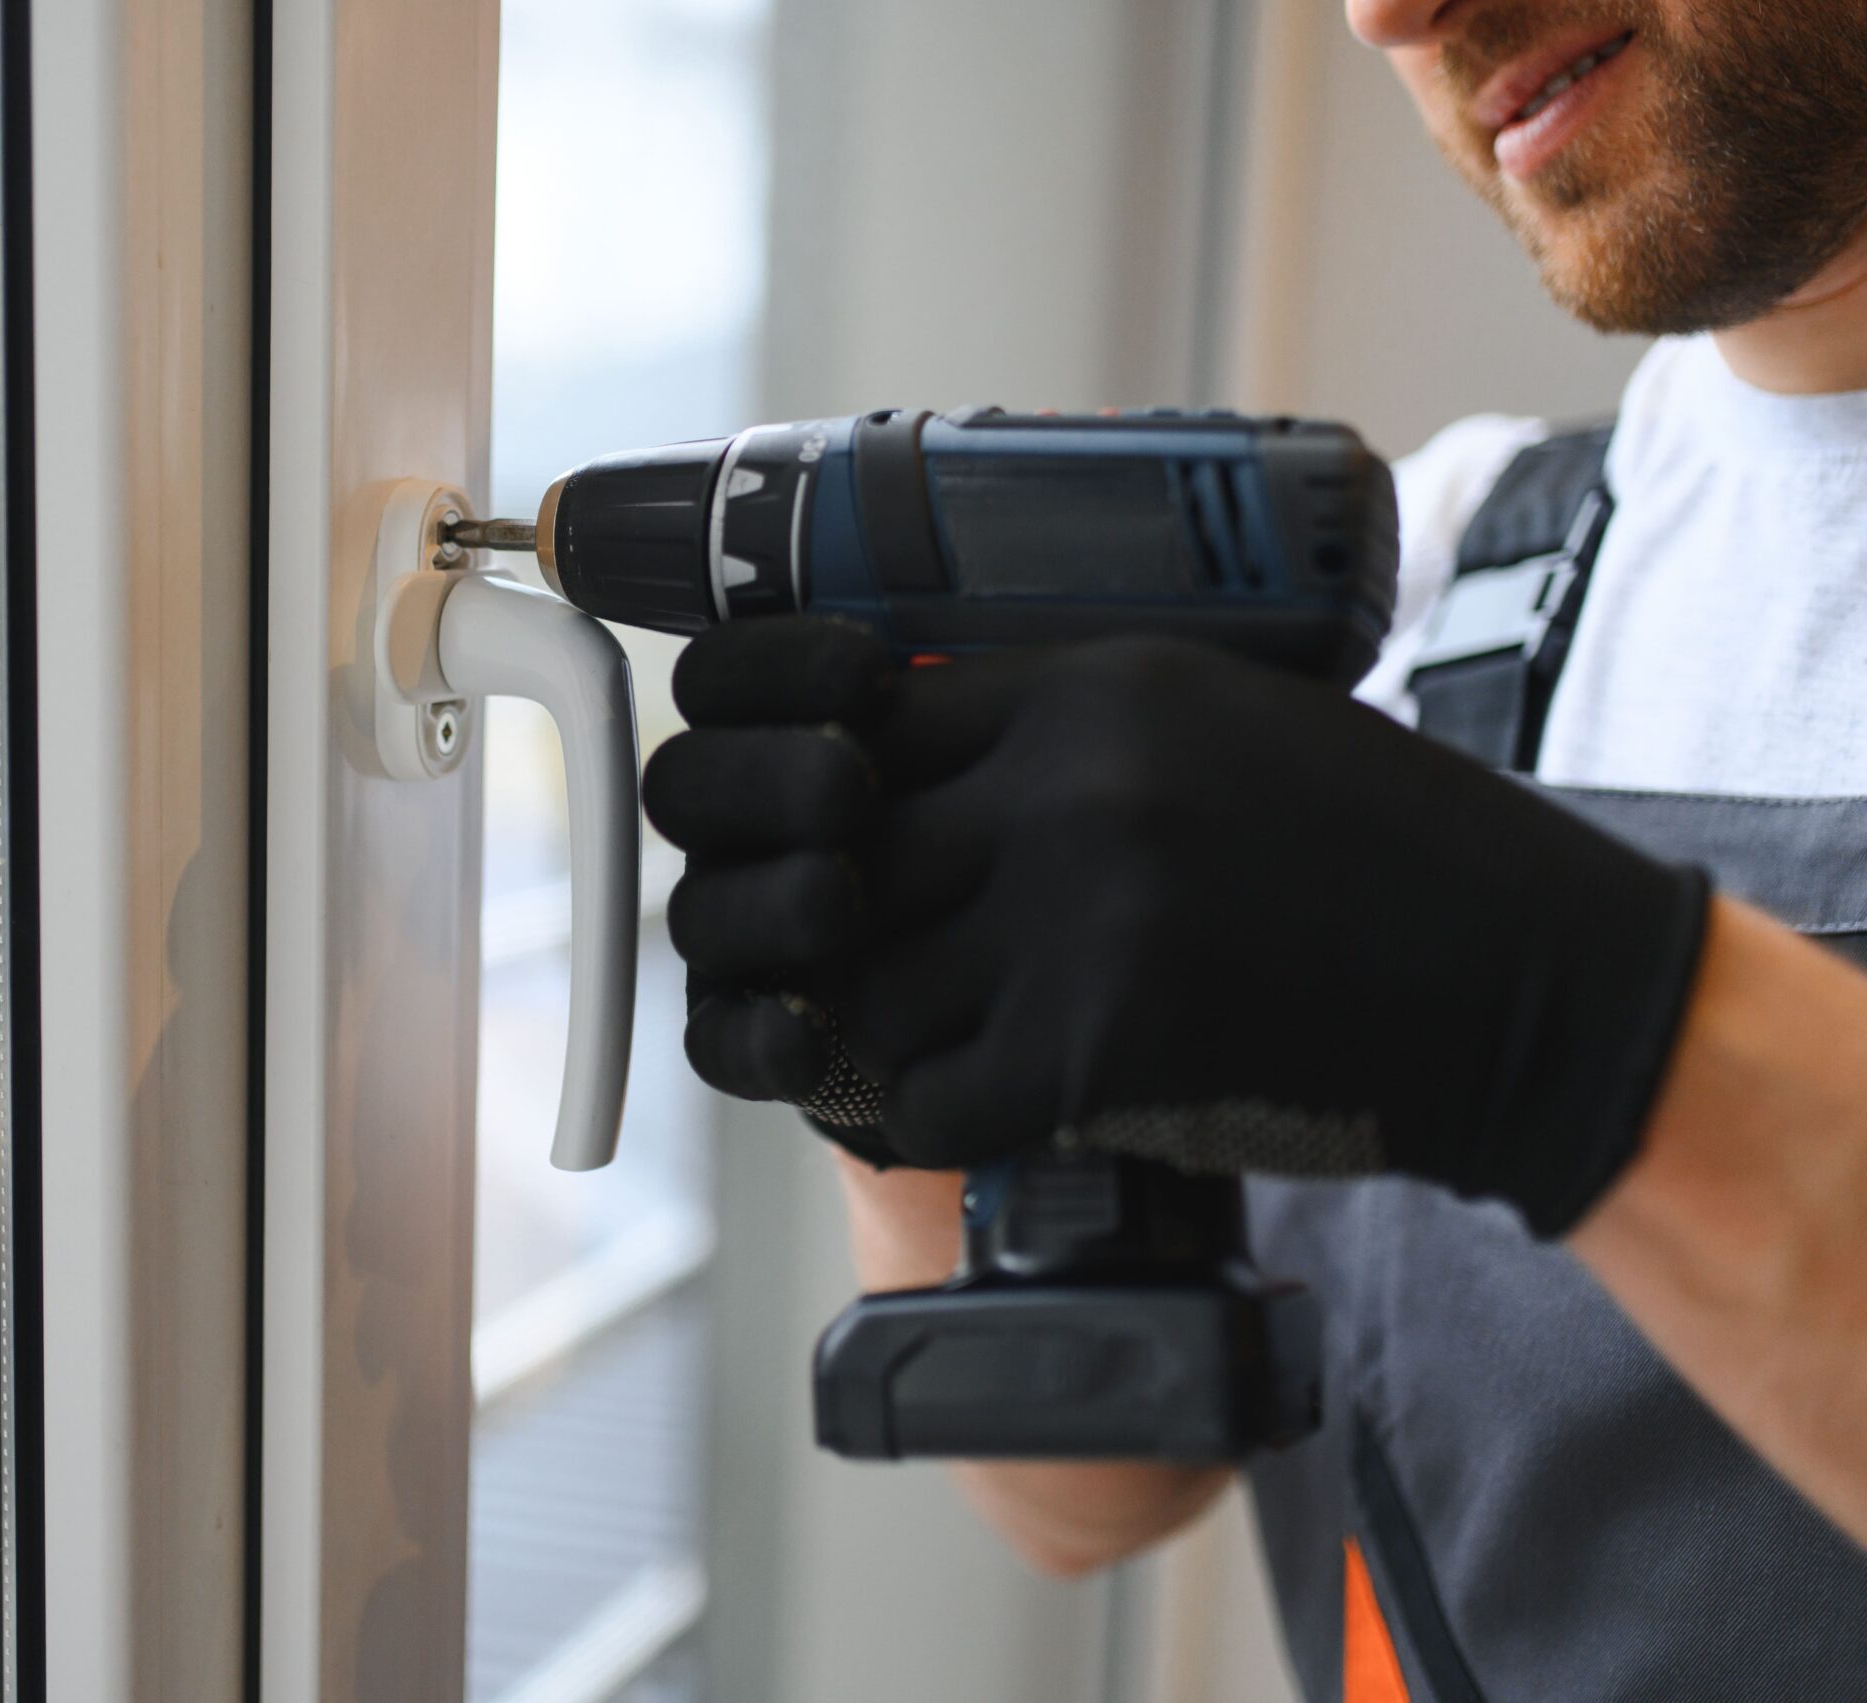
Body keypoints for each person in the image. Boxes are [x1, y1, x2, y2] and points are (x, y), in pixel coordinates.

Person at [641, 2, 1867, 1696]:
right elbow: (1095, 1494)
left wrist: (1568, 1023)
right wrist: (902, 1051)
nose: (1387, 14)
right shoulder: (1446, 601)